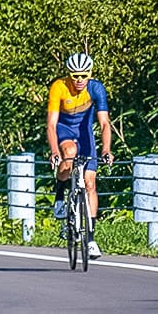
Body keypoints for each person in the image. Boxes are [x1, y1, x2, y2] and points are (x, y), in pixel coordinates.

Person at [46, 52, 114, 259]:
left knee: (90, 183)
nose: (79, 80)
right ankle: (59, 194)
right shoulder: (59, 87)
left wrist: (106, 149)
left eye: (83, 75)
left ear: (90, 74)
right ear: (69, 74)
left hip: (85, 135)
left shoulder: (96, 88)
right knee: (70, 153)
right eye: (75, 75)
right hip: (65, 131)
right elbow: (51, 124)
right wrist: (54, 151)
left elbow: (104, 123)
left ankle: (91, 239)